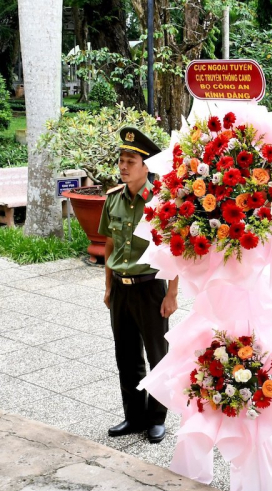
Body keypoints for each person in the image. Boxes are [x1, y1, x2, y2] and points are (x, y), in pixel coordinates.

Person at [99, 127, 178, 444]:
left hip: (151, 288)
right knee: (126, 355)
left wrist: (172, 293)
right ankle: (134, 416)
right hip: (120, 287)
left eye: (131, 160)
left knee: (158, 356)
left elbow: (176, 247)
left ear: (146, 166)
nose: (123, 166)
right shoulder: (114, 200)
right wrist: (107, 286)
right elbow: (108, 244)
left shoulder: (162, 201)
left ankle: (157, 418)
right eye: (121, 160)